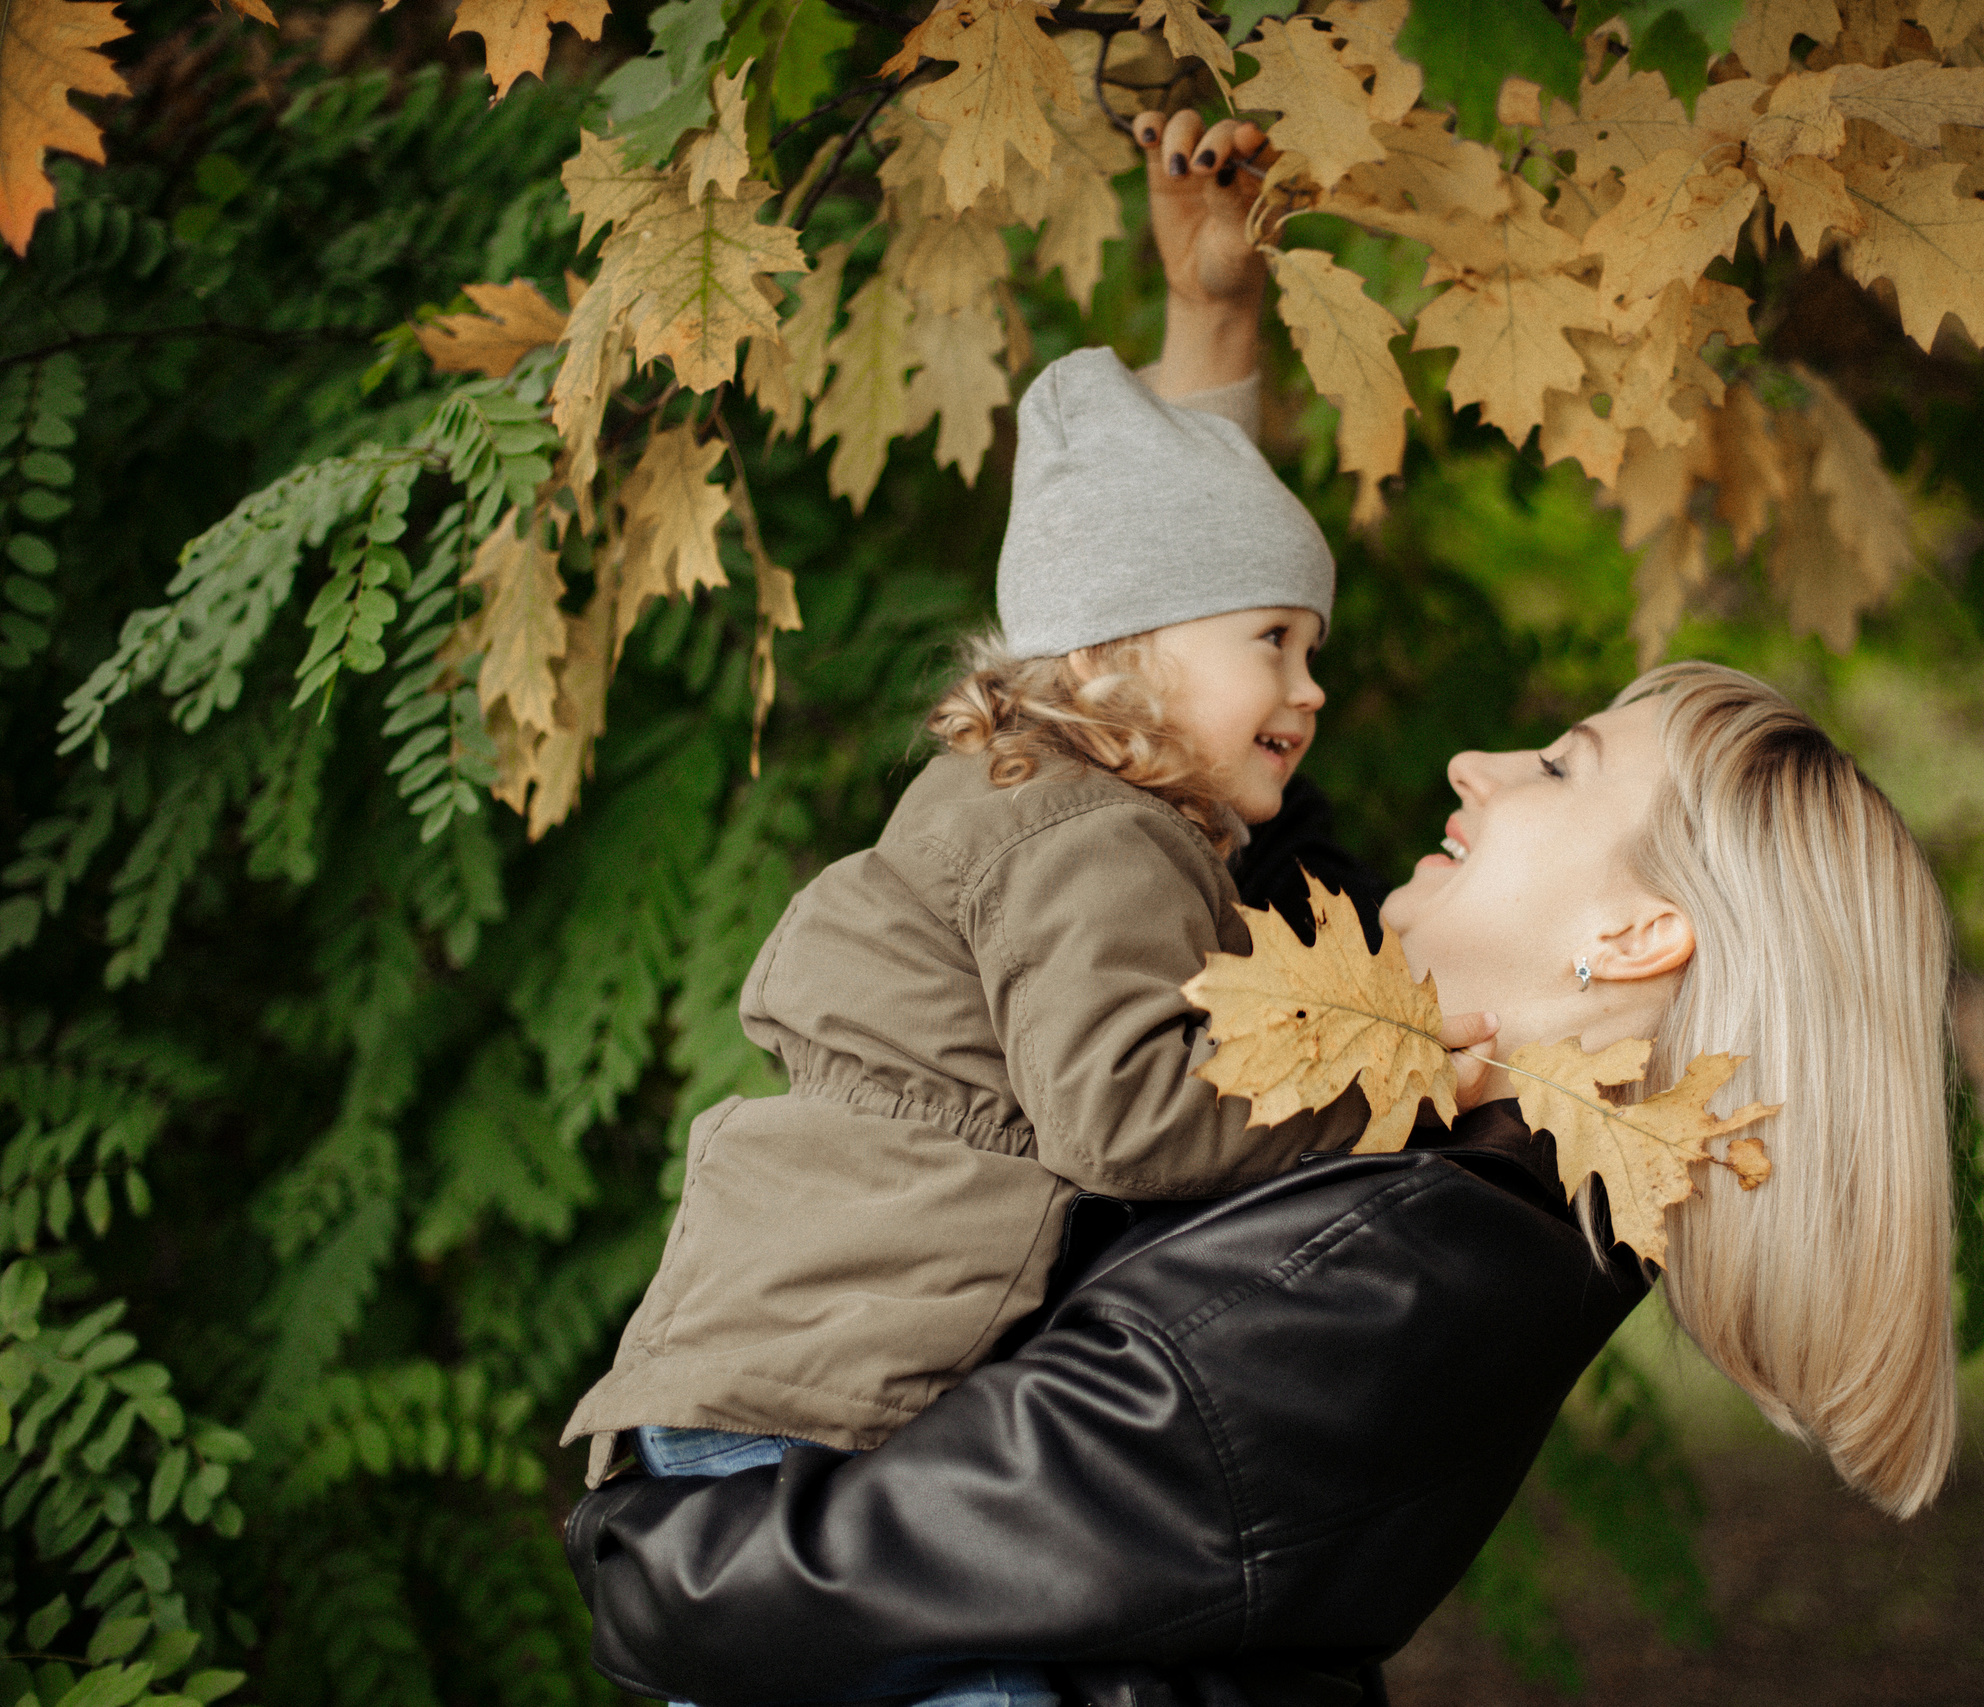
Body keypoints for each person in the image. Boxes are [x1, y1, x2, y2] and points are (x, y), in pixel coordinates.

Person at [563, 113, 1957, 1706]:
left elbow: (835, 1572)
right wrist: (1211, 338)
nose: (1476, 761)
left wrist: (644, 1562)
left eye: (1564, 771)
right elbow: (1162, 690)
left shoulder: (1404, 1260)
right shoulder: (1427, 1110)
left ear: (1639, 938)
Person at [555, 107, 1470, 1707]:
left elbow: (1165, 547)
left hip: (772, 1392)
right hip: (806, 1420)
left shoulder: (1051, 788)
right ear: (1121, 657)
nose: (1312, 689)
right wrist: (1399, 1076)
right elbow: (1126, 1113)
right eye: (1280, 641)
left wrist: (1215, 329)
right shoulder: (1095, 837)